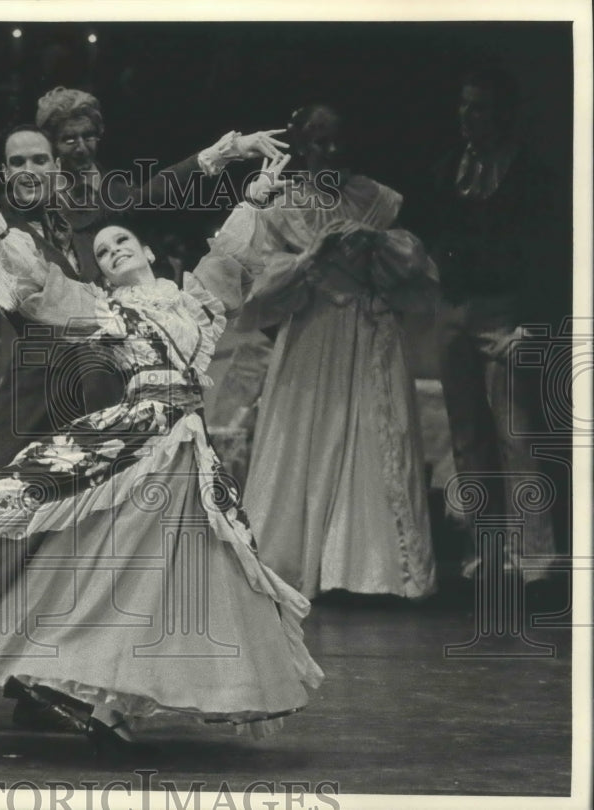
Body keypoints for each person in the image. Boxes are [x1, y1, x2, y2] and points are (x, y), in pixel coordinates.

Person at [0, 200, 323, 759]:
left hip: (186, 457)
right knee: (15, 499)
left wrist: (256, 198)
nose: (114, 251)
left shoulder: (194, 302)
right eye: (105, 251)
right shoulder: (103, 309)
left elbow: (230, 259)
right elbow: (44, 285)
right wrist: (0, 235)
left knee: (166, 582)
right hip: (130, 441)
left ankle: (112, 713)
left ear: (150, 250)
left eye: (123, 241)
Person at [194, 104, 438, 601]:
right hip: (313, 332)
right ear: (303, 146)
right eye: (320, 142)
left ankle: (373, 570)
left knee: (373, 438)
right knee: (307, 438)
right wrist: (311, 259)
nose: (331, 150)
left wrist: (376, 244)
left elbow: (415, 270)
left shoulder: (376, 199)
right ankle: (297, 562)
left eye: (338, 140)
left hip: (370, 330)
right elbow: (260, 287)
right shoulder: (285, 204)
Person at [417, 68, 565, 583]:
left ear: (502, 113)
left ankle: (534, 555)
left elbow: (550, 256)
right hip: (455, 309)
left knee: (515, 433)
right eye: (464, 106)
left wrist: (531, 320)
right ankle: (487, 549)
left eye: (479, 107)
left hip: (505, 311)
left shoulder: (533, 176)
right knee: (466, 436)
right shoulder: (446, 171)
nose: (468, 116)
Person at [34, 86, 289, 281]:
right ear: (51, 144)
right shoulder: (48, 200)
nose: (81, 147)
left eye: (88, 136)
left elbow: (155, 203)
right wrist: (221, 153)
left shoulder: (117, 183)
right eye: (69, 139)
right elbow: (145, 198)